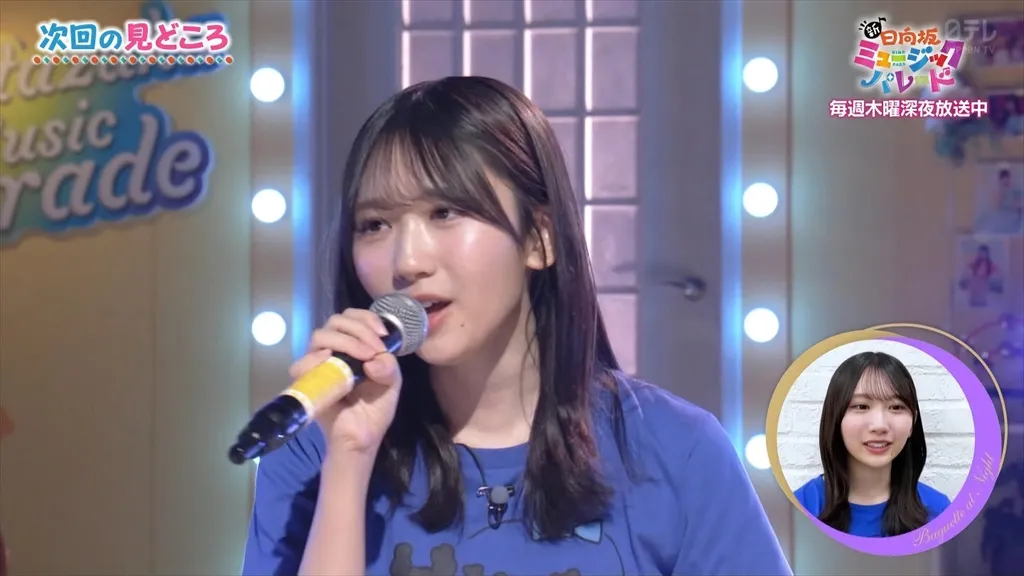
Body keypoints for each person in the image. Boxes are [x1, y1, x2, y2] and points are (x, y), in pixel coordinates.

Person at [240, 76, 792, 575]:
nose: (407, 260)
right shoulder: (314, 451)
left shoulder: (676, 449)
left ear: (539, 238)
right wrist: (350, 459)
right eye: (375, 224)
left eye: (445, 213)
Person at [793, 352, 951, 538]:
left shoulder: (938, 511)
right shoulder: (800, 507)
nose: (879, 425)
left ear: (913, 422)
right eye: (861, 406)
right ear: (836, 418)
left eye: (896, 407)